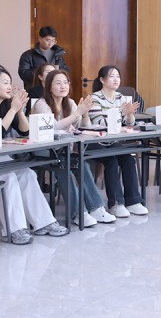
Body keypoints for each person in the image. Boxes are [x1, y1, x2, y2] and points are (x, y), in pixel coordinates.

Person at [0, 67, 69, 245]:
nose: (9, 86)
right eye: (5, 83)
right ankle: (14, 230)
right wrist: (13, 109)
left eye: (10, 83)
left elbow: (25, 130)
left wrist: (18, 111)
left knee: (27, 173)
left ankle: (44, 223)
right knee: (8, 177)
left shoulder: (5, 106)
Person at [31, 69, 117, 226]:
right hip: (43, 151)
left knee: (82, 164)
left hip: (64, 151)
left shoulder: (69, 103)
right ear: (49, 86)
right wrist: (77, 114)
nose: (63, 86)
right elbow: (53, 128)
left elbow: (82, 127)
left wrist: (84, 115)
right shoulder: (41, 104)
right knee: (64, 168)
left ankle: (96, 208)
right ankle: (78, 213)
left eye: (66, 83)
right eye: (58, 83)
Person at [88, 65, 148, 218]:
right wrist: (121, 113)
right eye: (112, 76)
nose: (116, 79)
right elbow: (100, 124)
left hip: (114, 141)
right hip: (96, 141)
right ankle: (115, 204)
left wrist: (129, 114)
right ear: (102, 80)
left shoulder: (121, 97)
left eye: (118, 76)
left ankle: (133, 201)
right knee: (112, 160)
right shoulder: (94, 98)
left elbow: (129, 123)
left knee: (128, 159)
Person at [18, 26, 70, 90]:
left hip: (54, 90)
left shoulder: (57, 54)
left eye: (53, 41)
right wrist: (42, 73)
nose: (51, 43)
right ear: (40, 38)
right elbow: (23, 74)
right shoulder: (28, 55)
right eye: (48, 40)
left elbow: (66, 71)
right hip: (35, 91)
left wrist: (57, 72)